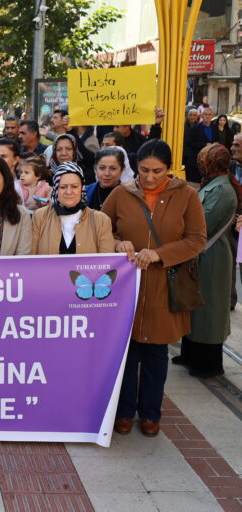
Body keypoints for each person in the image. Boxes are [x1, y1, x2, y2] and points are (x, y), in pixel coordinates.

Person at [102, 139, 206, 437]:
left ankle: (150, 413)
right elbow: (100, 228)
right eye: (143, 170)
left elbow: (197, 239)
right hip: (125, 287)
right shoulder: (121, 193)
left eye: (157, 171)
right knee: (126, 352)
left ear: (169, 169)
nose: (149, 177)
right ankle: (123, 412)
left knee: (156, 353)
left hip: (164, 284)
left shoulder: (187, 195)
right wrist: (116, 242)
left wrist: (159, 254)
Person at [173, 144, 240, 378]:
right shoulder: (213, 184)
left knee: (209, 311)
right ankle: (191, 354)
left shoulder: (221, 190)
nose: (199, 164)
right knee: (195, 306)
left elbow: (203, 224)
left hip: (212, 257)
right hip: (203, 255)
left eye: (203, 161)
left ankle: (208, 364)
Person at [31, 162, 115, 254]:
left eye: (74, 186)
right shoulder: (40, 217)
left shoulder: (101, 220)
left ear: (82, 188)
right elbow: (30, 258)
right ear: (56, 189)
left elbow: (106, 261)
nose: (69, 192)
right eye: (63, 187)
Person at [186, 108, 218, 183]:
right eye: (205, 114)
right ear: (202, 116)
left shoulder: (215, 127)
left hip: (210, 161)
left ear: (212, 116)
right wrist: (204, 145)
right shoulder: (195, 128)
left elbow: (217, 140)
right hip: (197, 160)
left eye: (209, 114)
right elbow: (189, 143)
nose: (207, 116)